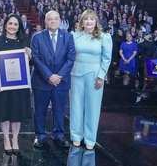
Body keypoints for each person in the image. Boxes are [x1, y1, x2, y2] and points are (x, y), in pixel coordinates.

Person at [31, 10, 75, 149]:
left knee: (59, 110)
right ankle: (40, 136)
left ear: (60, 21)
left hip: (61, 82)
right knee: (40, 110)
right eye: (50, 19)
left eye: (56, 19)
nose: (53, 21)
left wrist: (59, 76)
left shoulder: (68, 37)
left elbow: (70, 58)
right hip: (41, 81)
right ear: (45, 21)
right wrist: (49, 75)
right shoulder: (37, 37)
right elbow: (36, 59)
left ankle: (59, 135)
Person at [0, 14, 32, 155]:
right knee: (4, 112)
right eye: (10, 23)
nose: (12, 26)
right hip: (2, 83)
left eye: (15, 24)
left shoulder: (24, 41)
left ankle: (15, 139)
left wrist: (29, 54)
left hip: (19, 84)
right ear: (5, 25)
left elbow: (29, 63)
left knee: (17, 113)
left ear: (19, 26)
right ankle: (6, 139)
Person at [70, 9, 112, 151]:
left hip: (95, 77)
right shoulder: (74, 36)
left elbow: (106, 59)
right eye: (86, 19)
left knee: (92, 108)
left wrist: (101, 76)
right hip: (76, 75)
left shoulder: (104, 37)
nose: (89, 21)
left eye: (91, 19)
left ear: (96, 22)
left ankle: (90, 139)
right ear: (82, 22)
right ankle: (76, 136)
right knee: (76, 107)